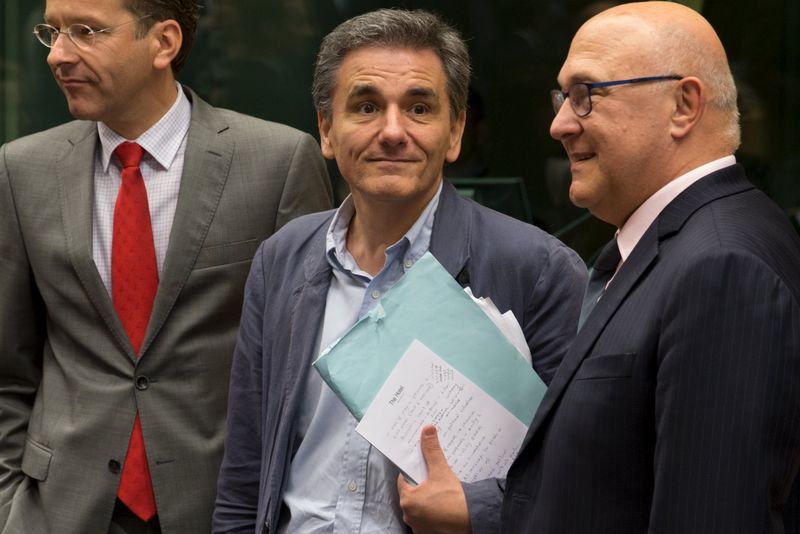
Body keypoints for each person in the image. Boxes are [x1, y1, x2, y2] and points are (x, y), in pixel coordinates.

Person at [213, 8, 586, 534]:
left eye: (419, 108)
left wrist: (474, 512)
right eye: (366, 106)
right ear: (326, 128)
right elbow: (247, 472)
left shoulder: (537, 270)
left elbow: (570, 483)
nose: (392, 131)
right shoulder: (283, 257)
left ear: (455, 131)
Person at [0, 0, 333, 531]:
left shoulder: (277, 162)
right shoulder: (22, 169)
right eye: (52, 32)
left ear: (164, 42)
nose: (58, 55)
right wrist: (11, 507)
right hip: (60, 507)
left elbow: (312, 367)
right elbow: (9, 370)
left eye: (86, 31)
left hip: (219, 505)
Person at [501, 2, 800, 533]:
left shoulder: (722, 267)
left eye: (586, 95)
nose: (559, 124)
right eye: (562, 97)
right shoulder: (678, 243)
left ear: (683, 105)